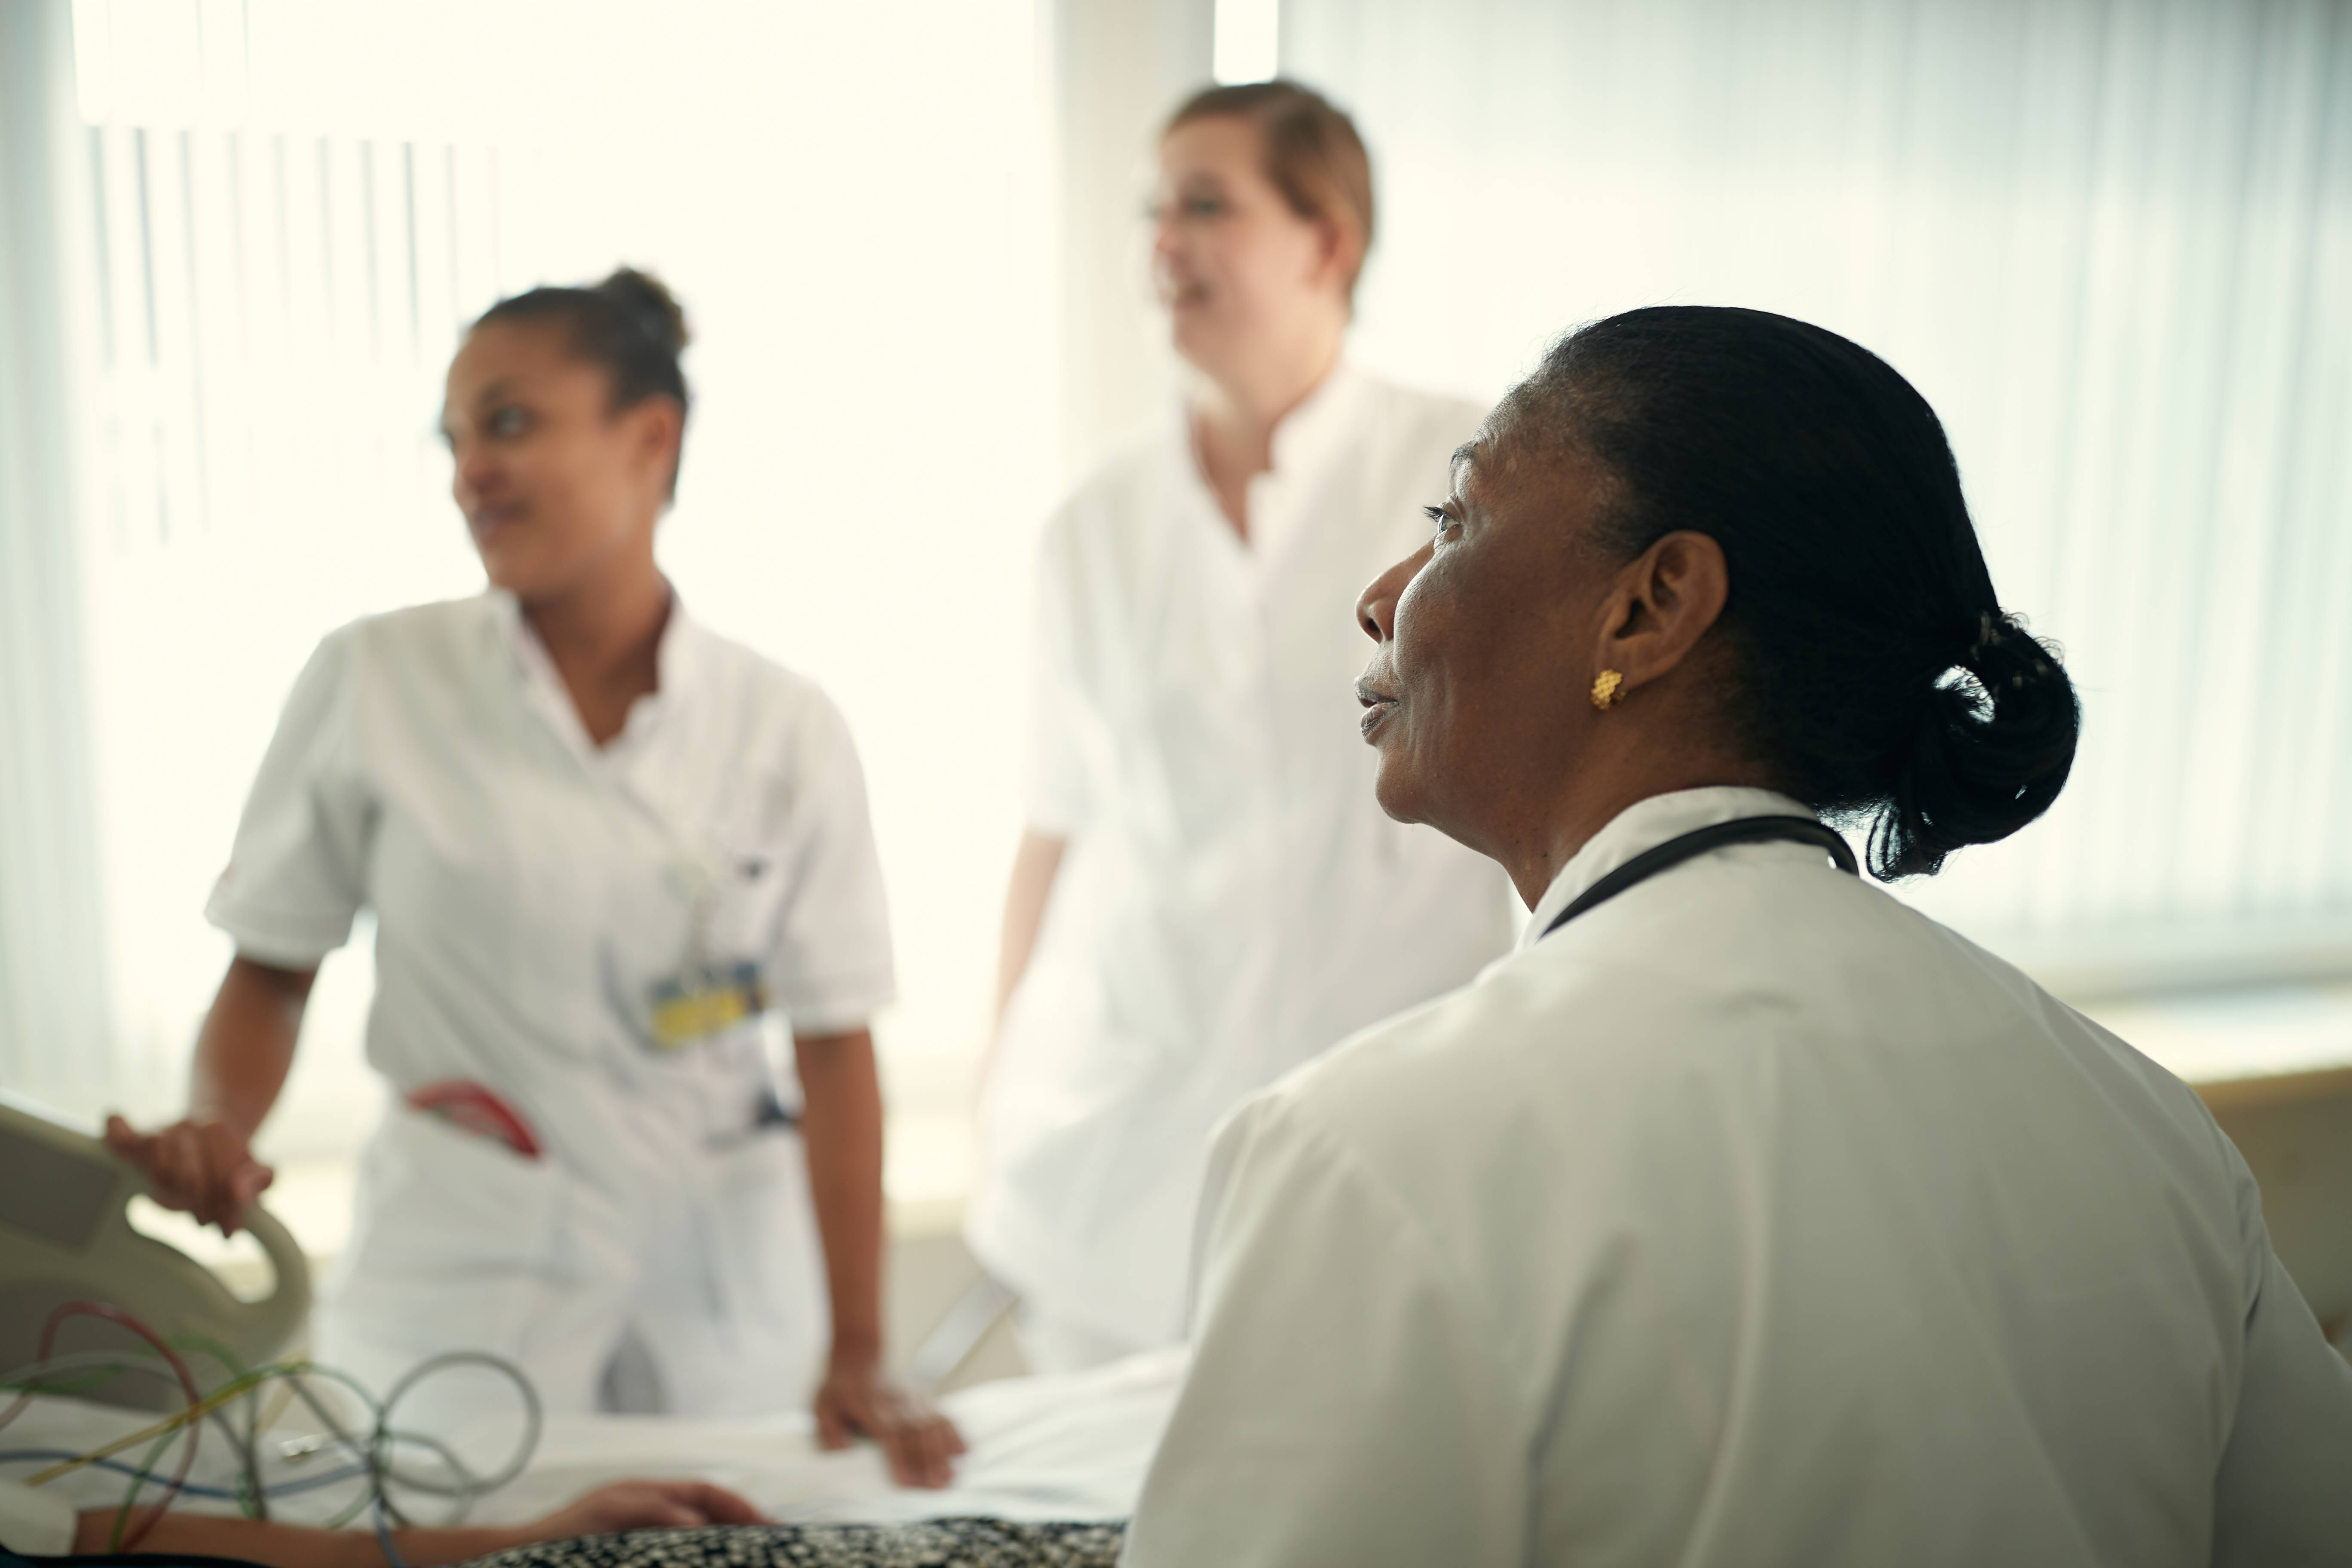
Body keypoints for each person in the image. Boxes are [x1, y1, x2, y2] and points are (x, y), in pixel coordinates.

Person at [1124, 307, 2352, 1565]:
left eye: (1452, 523)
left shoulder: (1369, 1154)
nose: (1385, 597)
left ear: (1651, 608)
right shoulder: (2148, 1133)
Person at [104, 270, 963, 1486]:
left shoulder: (784, 725)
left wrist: (863, 1347)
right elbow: (273, 970)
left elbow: (834, 1047)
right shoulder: (374, 679)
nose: (469, 472)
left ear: (650, 437)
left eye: (509, 423)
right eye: (452, 440)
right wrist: (221, 1133)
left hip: (718, 1307)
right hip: (456, 1302)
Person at [967, 80, 1516, 1372]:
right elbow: (1054, 834)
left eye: (1205, 206)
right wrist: (997, 1091)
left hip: (1397, 1141)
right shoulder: (1090, 530)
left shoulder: (1471, 475)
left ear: (1327, 241)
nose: (1163, 244)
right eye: (1153, 210)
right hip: (1120, 1160)